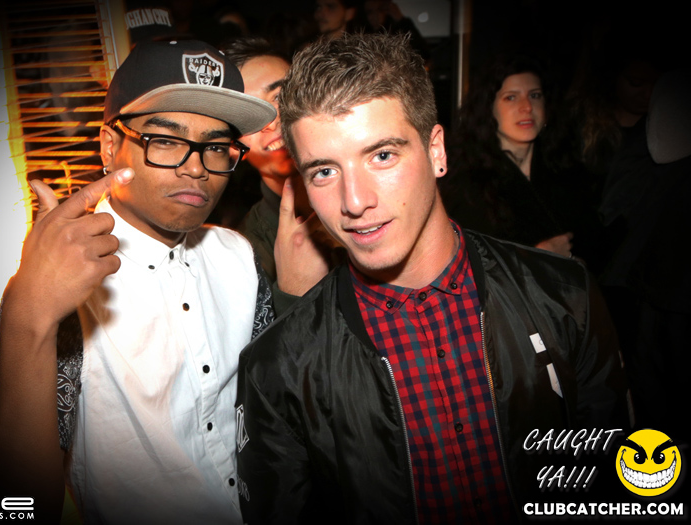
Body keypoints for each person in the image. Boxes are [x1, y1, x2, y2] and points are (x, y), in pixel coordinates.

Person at [235, 33, 631, 524]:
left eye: (382, 155)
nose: (354, 201)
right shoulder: (278, 365)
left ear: (436, 150)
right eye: (324, 172)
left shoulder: (564, 295)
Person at [0, 40, 277, 524]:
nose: (196, 168)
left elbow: (271, 420)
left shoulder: (238, 256)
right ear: (109, 145)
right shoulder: (68, 283)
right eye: (165, 140)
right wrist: (27, 315)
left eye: (215, 147)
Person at [440, 55, 599, 266]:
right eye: (511, 97)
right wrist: (535, 259)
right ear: (489, 108)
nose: (527, 107)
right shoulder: (466, 181)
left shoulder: (567, 168)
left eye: (534, 95)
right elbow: (465, 264)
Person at [223, 36, 335, 303]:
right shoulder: (247, 253)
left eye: (280, 96)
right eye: (247, 116)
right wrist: (293, 294)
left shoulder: (380, 184)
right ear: (232, 148)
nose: (272, 121)